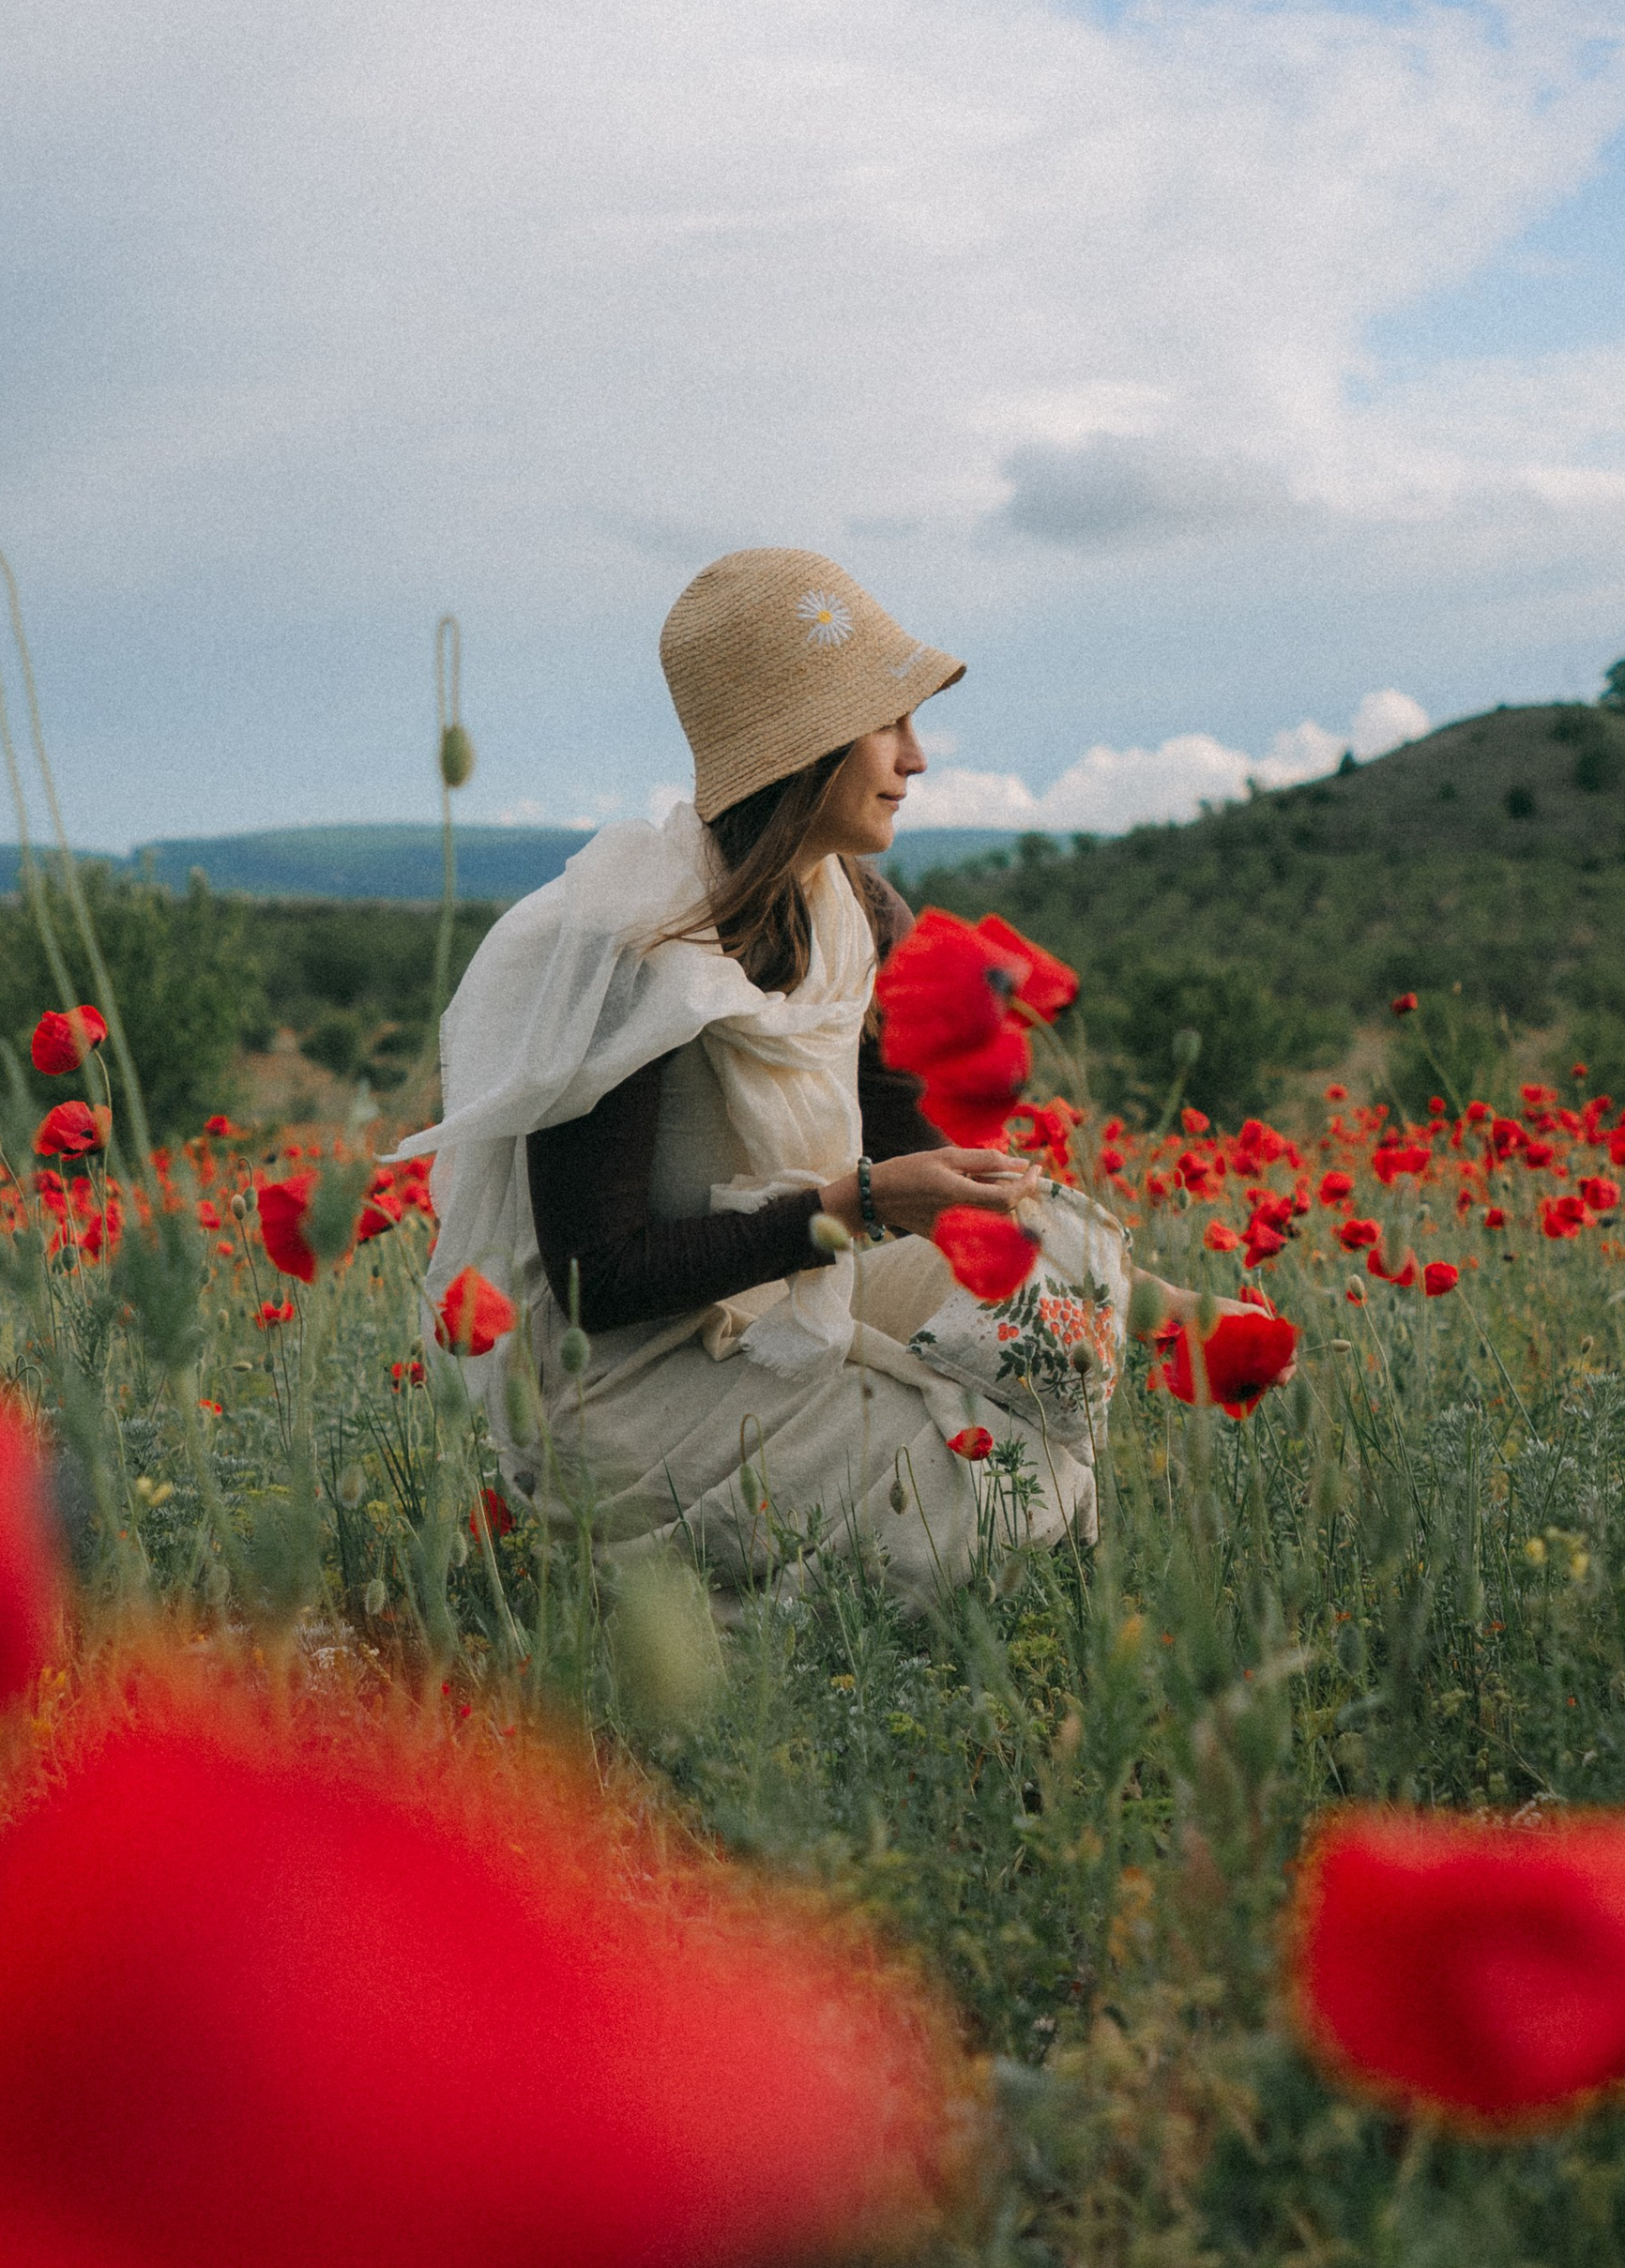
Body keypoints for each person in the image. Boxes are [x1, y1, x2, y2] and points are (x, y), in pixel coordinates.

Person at [402, 548, 1191, 1606]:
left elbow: (911, 1157)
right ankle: (701, 1630)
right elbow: (602, 1279)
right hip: (631, 1384)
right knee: (957, 1479)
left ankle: (1034, 1565)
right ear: (804, 744)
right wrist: (850, 1205)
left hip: (790, 1288)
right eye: (887, 723)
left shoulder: (854, 911)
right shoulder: (627, 945)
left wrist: (1124, 1289)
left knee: (1060, 1254)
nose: (915, 759)